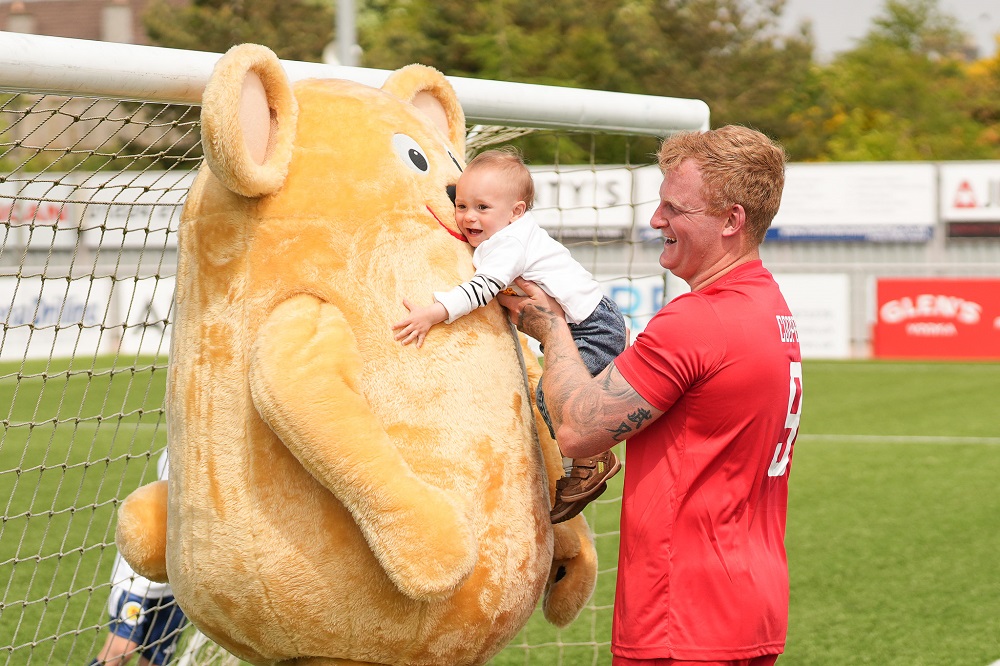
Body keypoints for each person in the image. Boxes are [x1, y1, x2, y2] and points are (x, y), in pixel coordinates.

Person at [498, 125, 802, 665]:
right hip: (749, 602)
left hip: (682, 617)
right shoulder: (769, 306)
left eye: (675, 207)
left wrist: (553, 330)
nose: (657, 219)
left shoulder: (699, 319)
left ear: (732, 221)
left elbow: (577, 427)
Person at [391, 147, 626, 523]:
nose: (468, 217)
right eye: (462, 205)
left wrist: (434, 313)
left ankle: (589, 459)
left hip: (594, 328)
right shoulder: (506, 236)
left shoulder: (509, 243)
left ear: (516, 212)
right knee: (553, 398)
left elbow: (483, 287)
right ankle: (581, 465)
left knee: (555, 398)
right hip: (590, 322)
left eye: (483, 208)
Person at [89, 452, 188, 666]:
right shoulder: (181, 448)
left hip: (181, 581)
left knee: (155, 661)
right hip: (140, 577)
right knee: (120, 652)